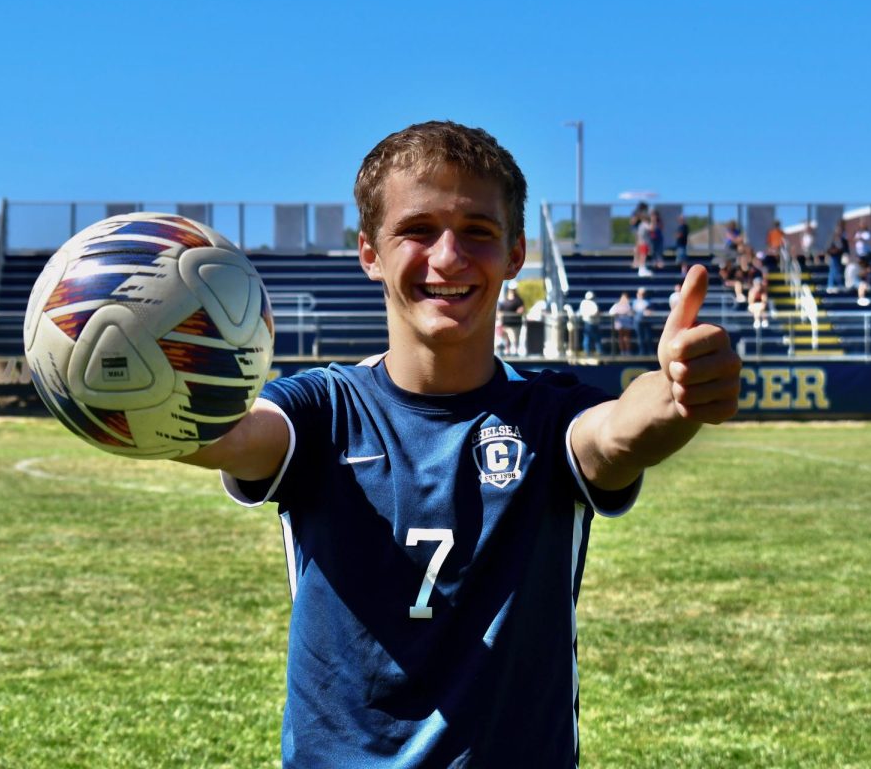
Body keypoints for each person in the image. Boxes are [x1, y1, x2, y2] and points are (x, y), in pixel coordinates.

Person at [178, 121, 742, 768]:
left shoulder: (552, 416)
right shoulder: (321, 409)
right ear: (369, 253)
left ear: (516, 254)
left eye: (478, 231)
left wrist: (674, 396)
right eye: (418, 230)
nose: (449, 257)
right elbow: (237, 434)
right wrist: (138, 400)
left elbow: (618, 432)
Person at [497, 280, 525, 356]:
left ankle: (515, 351)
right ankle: (507, 351)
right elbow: (499, 312)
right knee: (507, 338)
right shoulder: (504, 301)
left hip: (516, 324)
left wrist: (519, 311)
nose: (512, 291)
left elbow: (521, 309)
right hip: (506, 324)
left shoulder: (519, 300)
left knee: (515, 338)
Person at [825, 221, 849, 294]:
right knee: (833, 271)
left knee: (837, 271)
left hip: (840, 257)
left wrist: (845, 253)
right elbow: (828, 249)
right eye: (837, 229)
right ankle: (830, 286)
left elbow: (845, 248)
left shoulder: (843, 239)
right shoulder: (831, 239)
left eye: (840, 230)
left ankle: (838, 285)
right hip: (833, 257)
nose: (839, 231)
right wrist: (834, 251)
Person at [609, 291, 636, 355]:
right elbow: (611, 312)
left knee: (627, 337)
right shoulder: (616, 305)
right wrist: (618, 314)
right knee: (621, 337)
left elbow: (632, 313)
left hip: (627, 324)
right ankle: (622, 351)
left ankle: (627, 351)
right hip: (619, 324)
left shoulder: (629, 306)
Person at [632, 286, 655, 355]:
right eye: (640, 293)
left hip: (646, 321)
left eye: (643, 294)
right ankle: (642, 352)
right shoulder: (634, 302)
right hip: (638, 322)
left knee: (648, 337)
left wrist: (649, 312)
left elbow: (651, 310)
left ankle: (651, 351)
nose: (641, 295)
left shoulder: (648, 301)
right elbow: (633, 311)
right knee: (640, 338)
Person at [578, 289, 601, 355]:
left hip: (587, 322)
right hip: (592, 323)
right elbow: (595, 312)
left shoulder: (583, 303)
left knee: (587, 337)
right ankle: (599, 351)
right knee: (596, 338)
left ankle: (587, 351)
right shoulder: (593, 303)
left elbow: (581, 312)